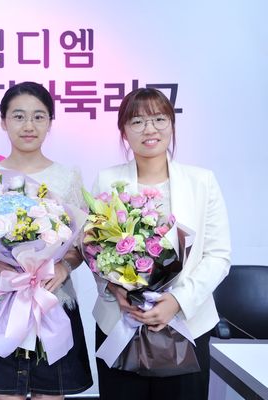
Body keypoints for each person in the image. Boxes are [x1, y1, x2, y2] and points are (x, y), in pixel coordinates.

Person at [91, 88, 231, 399]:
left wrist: (177, 301)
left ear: (171, 124)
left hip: (187, 325)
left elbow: (218, 256)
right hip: (121, 322)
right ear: (124, 131)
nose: (149, 129)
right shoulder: (107, 180)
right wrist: (115, 288)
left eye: (158, 119)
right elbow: (93, 249)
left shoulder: (202, 181)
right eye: (137, 121)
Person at [0, 81, 93, 400]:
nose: (29, 126)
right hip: (1, 303)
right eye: (18, 116)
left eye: (38, 116)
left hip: (53, 303)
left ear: (50, 122)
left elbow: (81, 244)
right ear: (3, 121)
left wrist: (63, 268)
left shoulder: (68, 176)